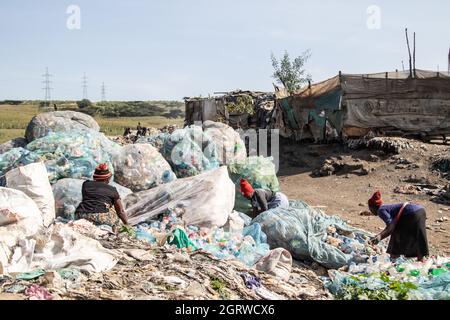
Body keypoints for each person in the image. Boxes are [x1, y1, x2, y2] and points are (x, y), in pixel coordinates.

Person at [367, 191, 428, 261]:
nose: (370, 211)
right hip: (421, 210)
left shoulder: (381, 210)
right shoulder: (387, 208)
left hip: (410, 213)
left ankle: (393, 260)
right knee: (418, 235)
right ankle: (421, 260)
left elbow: (391, 227)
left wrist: (379, 237)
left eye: (370, 209)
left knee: (396, 234)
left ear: (372, 207)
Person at [75, 163, 129, 233]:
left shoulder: (86, 184)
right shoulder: (112, 190)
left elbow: (92, 199)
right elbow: (120, 211)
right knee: (113, 210)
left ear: (95, 177)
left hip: (81, 214)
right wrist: (127, 225)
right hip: (98, 217)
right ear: (108, 178)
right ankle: (113, 233)